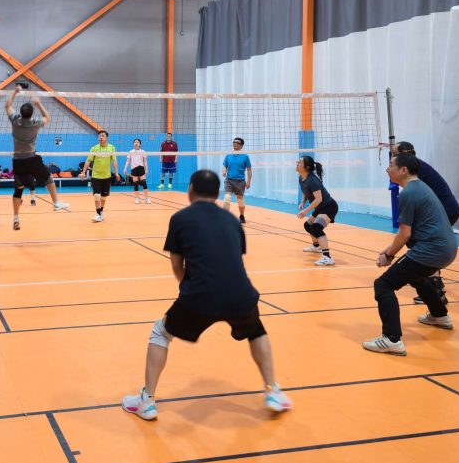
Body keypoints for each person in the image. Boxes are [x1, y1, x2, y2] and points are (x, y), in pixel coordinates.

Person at [122, 169, 292, 420]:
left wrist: (192, 294)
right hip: (241, 294)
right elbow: (233, 260)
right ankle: (273, 391)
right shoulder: (232, 220)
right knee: (256, 331)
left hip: (200, 295)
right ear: (217, 192)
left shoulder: (180, 218)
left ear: (190, 190)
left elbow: (177, 267)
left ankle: (146, 401)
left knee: (161, 332)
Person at [363, 152, 456, 355]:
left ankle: (391, 339)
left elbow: (405, 233)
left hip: (432, 250)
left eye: (391, 165)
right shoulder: (421, 187)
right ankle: (440, 316)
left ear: (403, 170)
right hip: (448, 249)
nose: (387, 169)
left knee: (383, 284)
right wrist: (389, 250)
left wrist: (389, 255)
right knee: (417, 277)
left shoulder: (408, 193)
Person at [395, 141, 459, 305]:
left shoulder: (415, 170)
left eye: (395, 153)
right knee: (423, 246)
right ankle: (435, 289)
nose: (393, 156)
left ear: (405, 154)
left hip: (446, 209)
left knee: (422, 245)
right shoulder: (416, 168)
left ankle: (436, 291)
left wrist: (389, 253)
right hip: (446, 208)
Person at [5, 85, 70, 230]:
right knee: (48, 178)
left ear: (20, 113)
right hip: (31, 159)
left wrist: (15, 92)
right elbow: (48, 118)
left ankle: (16, 217)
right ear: (31, 114)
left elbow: (7, 105)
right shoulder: (35, 123)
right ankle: (56, 203)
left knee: (19, 189)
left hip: (17, 161)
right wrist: (38, 103)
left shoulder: (15, 120)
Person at [296, 155, 338, 266]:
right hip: (320, 207)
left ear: (307, 167)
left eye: (300, 162)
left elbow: (318, 199)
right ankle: (316, 246)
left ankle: (327, 257)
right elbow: (305, 191)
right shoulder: (301, 177)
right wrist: (302, 202)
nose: (297, 164)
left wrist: (305, 211)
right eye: (297, 162)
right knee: (308, 225)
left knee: (316, 228)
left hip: (329, 206)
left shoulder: (313, 180)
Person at [81, 130, 120, 221]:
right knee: (96, 196)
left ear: (106, 138)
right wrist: (83, 172)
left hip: (106, 176)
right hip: (96, 176)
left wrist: (116, 173)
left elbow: (114, 161)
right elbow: (88, 161)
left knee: (103, 197)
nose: (100, 137)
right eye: (99, 136)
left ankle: (100, 212)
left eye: (102, 136)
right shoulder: (94, 148)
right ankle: (98, 214)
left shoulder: (111, 148)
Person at [222, 137, 252, 224]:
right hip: (229, 180)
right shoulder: (228, 155)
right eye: (234, 142)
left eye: (237, 143)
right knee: (227, 197)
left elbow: (249, 170)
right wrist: (224, 171)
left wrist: (248, 182)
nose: (234, 144)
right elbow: (225, 165)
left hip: (240, 181)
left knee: (240, 200)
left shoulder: (245, 157)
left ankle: (242, 216)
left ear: (241, 146)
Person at [123, 138, 150, 204]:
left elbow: (145, 162)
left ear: (140, 144)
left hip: (141, 168)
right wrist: (125, 168)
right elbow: (128, 161)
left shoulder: (143, 151)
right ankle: (137, 199)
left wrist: (146, 169)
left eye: (137, 142)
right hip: (134, 169)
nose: (136, 143)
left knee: (144, 183)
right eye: (135, 142)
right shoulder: (131, 152)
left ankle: (147, 198)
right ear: (133, 144)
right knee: (135, 184)